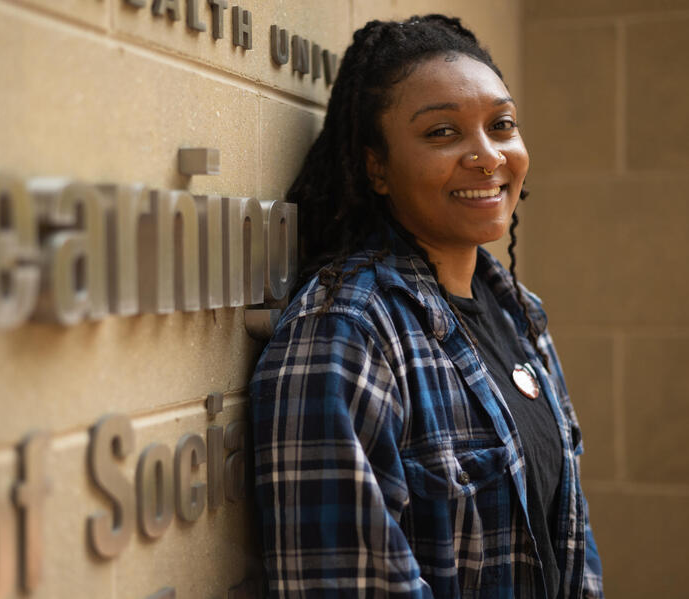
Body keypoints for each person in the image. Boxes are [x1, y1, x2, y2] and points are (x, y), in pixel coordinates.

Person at [250, 14, 604, 599]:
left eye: (502, 124)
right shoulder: (346, 334)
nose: (488, 156)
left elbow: (573, 548)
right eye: (442, 133)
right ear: (377, 168)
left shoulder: (519, 315)